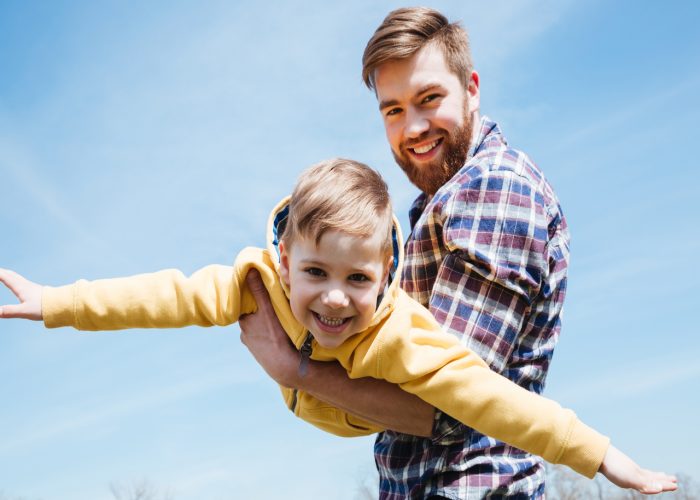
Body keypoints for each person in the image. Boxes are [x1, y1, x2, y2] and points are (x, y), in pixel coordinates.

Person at [0, 159, 675, 496]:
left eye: (358, 281)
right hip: (309, 397)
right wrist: (59, 304)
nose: (334, 300)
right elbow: (162, 297)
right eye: (317, 274)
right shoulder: (254, 284)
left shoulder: (399, 337)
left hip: (363, 406)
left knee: (460, 399)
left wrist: (603, 456)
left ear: (385, 276)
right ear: (287, 260)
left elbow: (495, 399)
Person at [233, 7, 666, 499]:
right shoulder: (437, 204)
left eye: (429, 99)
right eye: (393, 110)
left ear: (472, 89)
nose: (412, 127)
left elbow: (447, 405)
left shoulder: (493, 190)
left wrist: (296, 371)